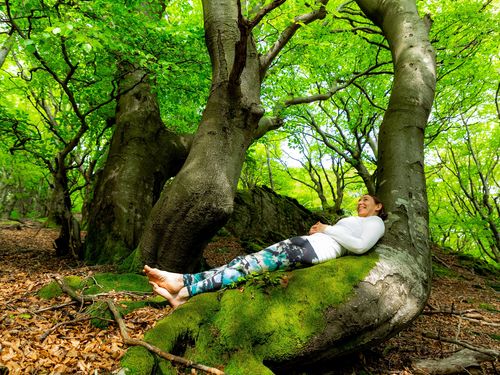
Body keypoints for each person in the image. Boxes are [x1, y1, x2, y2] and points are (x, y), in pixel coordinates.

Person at [144, 194, 387, 309]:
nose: (360, 202)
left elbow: (359, 246)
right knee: (244, 260)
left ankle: (185, 293)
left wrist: (327, 228)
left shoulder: (376, 223)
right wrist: (323, 230)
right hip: (305, 243)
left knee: (246, 268)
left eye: (366, 200)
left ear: (378, 206)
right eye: (359, 200)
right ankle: (181, 280)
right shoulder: (352, 220)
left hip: (310, 252)